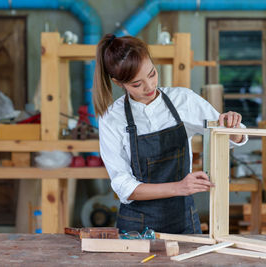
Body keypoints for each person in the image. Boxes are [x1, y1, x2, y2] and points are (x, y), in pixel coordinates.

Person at [93, 33, 248, 235]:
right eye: (136, 84)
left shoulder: (184, 100)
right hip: (137, 225)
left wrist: (233, 129)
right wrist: (179, 187)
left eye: (152, 74)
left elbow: (225, 137)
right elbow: (124, 187)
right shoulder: (112, 119)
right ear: (118, 83)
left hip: (184, 219)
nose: (149, 86)